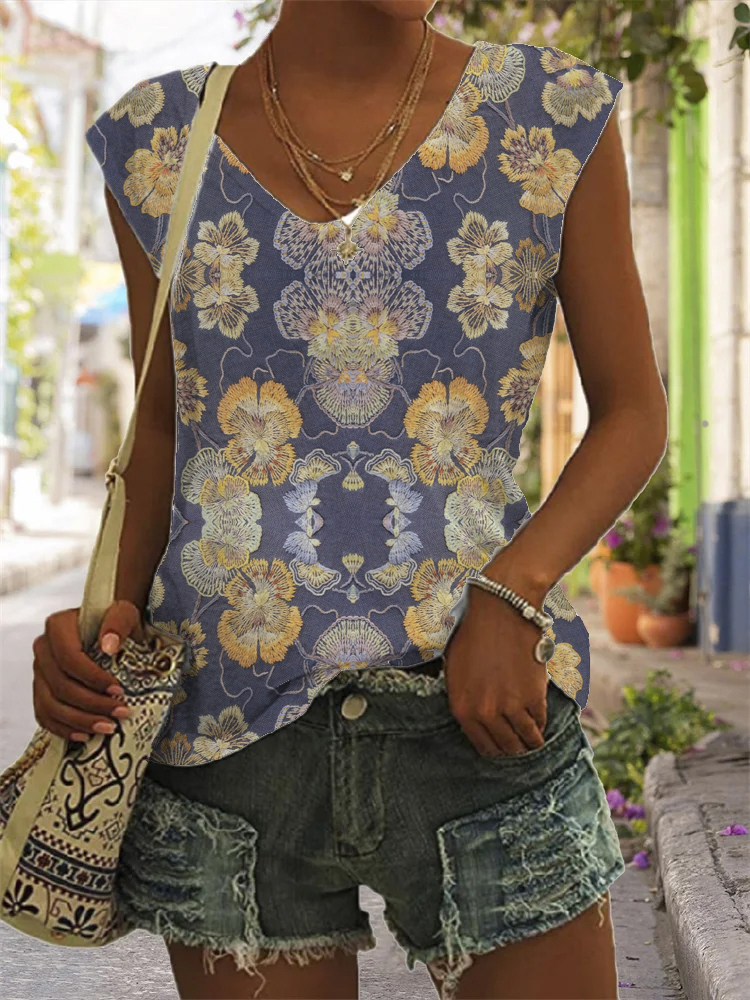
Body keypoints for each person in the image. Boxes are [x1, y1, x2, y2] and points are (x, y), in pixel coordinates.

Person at [32, 1, 668, 998]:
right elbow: (161, 428)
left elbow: (632, 412)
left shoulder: (552, 116)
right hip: (227, 735)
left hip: (480, 709)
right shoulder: (158, 140)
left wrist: (514, 590)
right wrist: (99, 621)